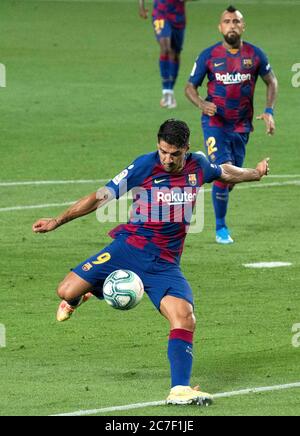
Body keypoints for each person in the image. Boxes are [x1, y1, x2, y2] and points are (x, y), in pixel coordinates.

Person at [32, 119, 270, 406]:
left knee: (185, 317)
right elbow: (99, 198)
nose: (168, 159)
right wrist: (57, 221)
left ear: (187, 149)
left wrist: (254, 173)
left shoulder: (199, 165)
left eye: (175, 154)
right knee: (65, 291)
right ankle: (82, 294)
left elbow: (224, 172)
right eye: (163, 151)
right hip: (128, 248)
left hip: (165, 264)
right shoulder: (144, 165)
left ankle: (179, 389)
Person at [185, 5, 278, 245]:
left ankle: (223, 200)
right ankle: (221, 228)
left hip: (242, 126)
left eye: (236, 21)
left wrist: (269, 111)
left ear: (243, 26)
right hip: (215, 123)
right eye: (227, 21)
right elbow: (189, 88)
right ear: (220, 27)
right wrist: (201, 104)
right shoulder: (208, 55)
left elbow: (272, 82)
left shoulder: (256, 55)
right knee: (222, 173)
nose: (232, 25)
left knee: (232, 176)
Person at [139, 0, 188, 109]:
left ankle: (170, 90)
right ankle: (166, 91)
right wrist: (141, 7)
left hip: (178, 18)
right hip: (160, 14)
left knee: (175, 53)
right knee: (165, 48)